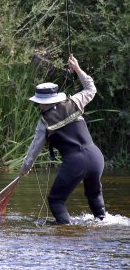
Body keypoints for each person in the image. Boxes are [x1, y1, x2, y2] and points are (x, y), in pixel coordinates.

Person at [19, 55, 105, 224]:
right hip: (96, 156)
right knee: (94, 194)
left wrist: (24, 168)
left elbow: (34, 149)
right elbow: (91, 88)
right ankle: (102, 222)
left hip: (75, 162)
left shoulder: (44, 121)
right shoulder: (75, 102)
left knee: (56, 200)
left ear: (41, 102)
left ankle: (66, 231)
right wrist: (78, 69)